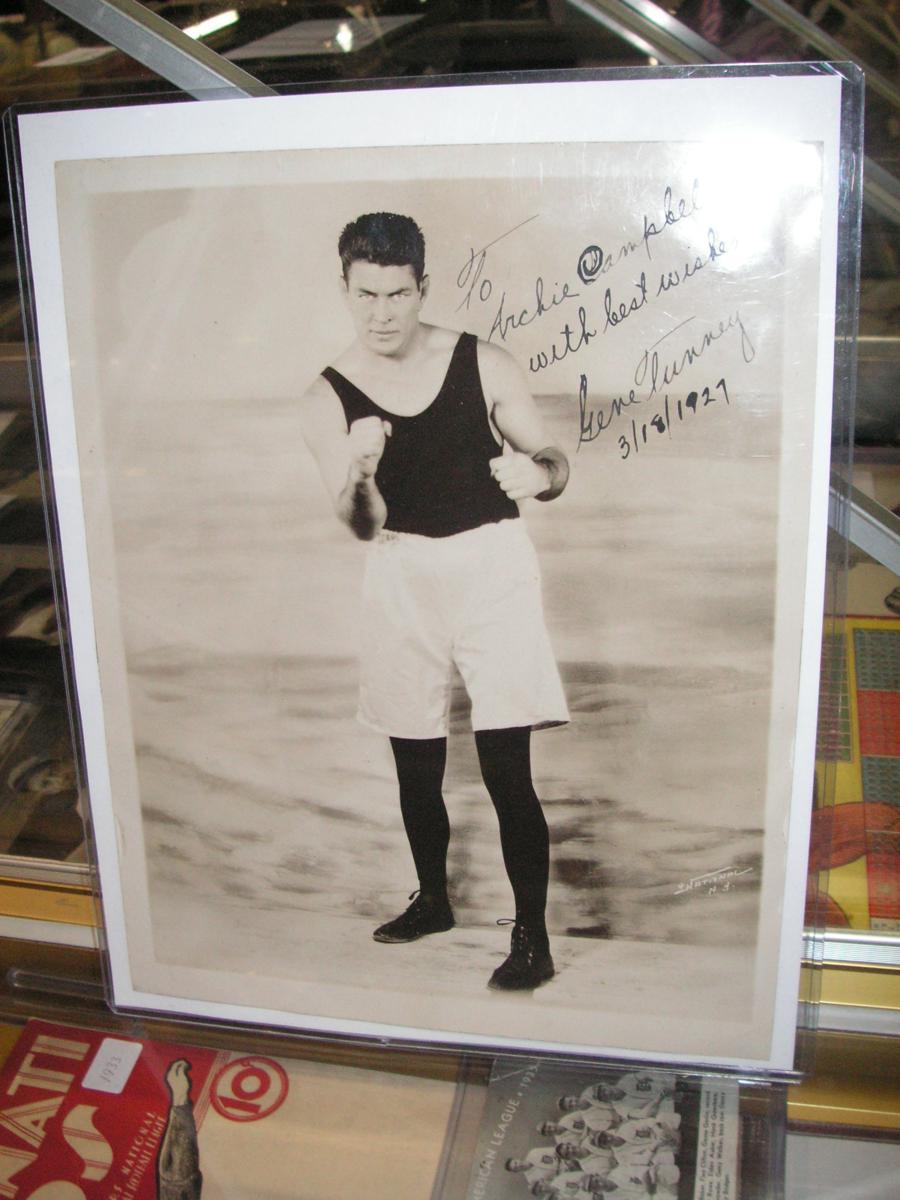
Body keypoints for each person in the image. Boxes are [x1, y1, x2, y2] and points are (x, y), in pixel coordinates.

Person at [301, 212, 569, 990]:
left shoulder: (484, 362)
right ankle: (434, 900)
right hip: (399, 568)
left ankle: (533, 938)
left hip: (492, 564)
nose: (381, 313)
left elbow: (553, 458)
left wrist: (541, 474)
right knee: (414, 761)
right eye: (366, 295)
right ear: (344, 288)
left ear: (423, 287)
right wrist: (361, 474)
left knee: (505, 765)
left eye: (397, 294)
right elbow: (361, 525)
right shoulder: (324, 397)